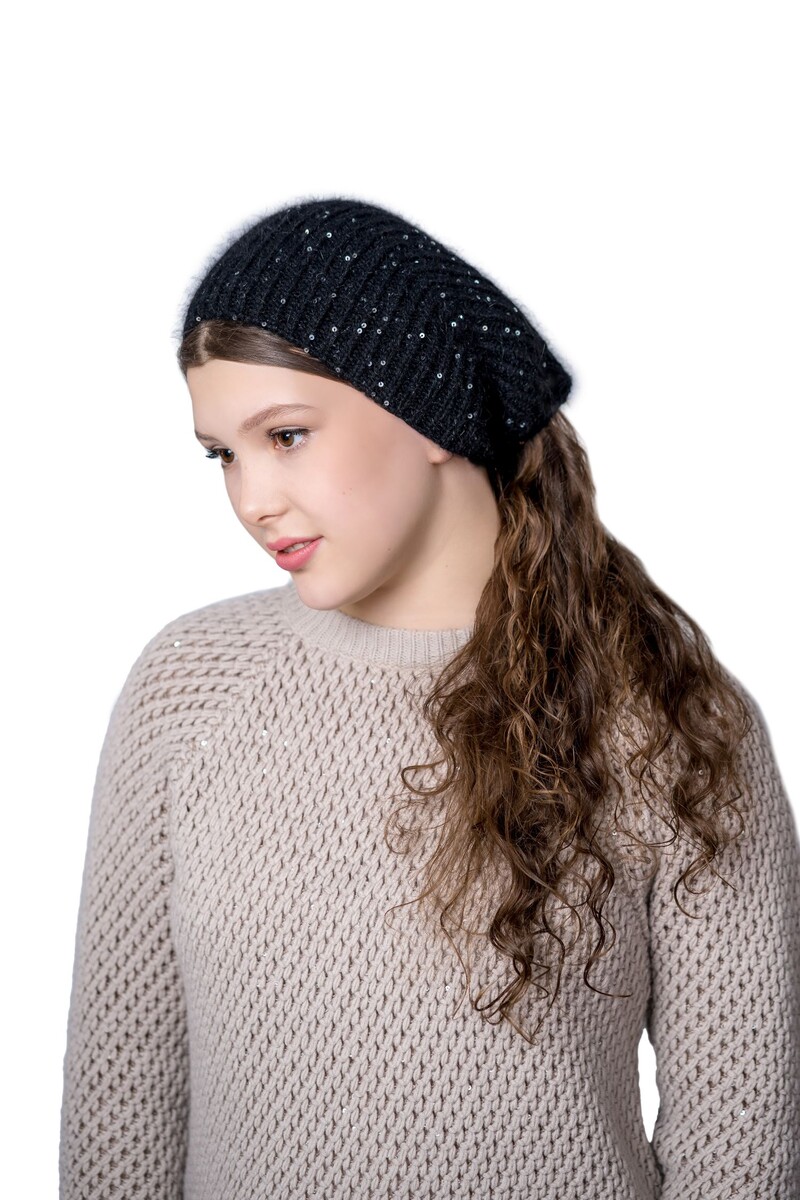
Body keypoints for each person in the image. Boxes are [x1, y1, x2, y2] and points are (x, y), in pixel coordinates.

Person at [58, 196, 800, 1199]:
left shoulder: (664, 714)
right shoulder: (188, 690)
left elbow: (742, 1130)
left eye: (286, 436)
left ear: (427, 410)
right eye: (222, 454)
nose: (251, 499)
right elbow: (123, 1087)